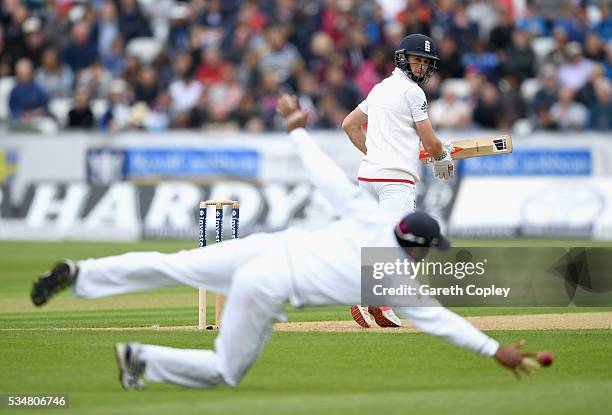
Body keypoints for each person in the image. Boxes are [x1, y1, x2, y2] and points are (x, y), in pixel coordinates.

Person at [31, 95, 538, 390]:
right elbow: (445, 323)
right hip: (268, 284)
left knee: (172, 265)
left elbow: (325, 176)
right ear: (418, 248)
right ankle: (140, 360)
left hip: (267, 246)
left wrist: (296, 129)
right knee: (225, 372)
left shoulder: (368, 217)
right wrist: (496, 351)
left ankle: (82, 272)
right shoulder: (398, 281)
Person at [341, 34, 454, 328]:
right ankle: (371, 297)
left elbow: (349, 125)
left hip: (367, 176)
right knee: (397, 245)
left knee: (376, 240)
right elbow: (430, 142)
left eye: (426, 61)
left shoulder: (379, 88)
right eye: (417, 59)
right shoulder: (413, 93)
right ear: (403, 58)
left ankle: (378, 302)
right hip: (396, 180)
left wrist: (376, 153)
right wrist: (442, 157)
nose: (422, 66)